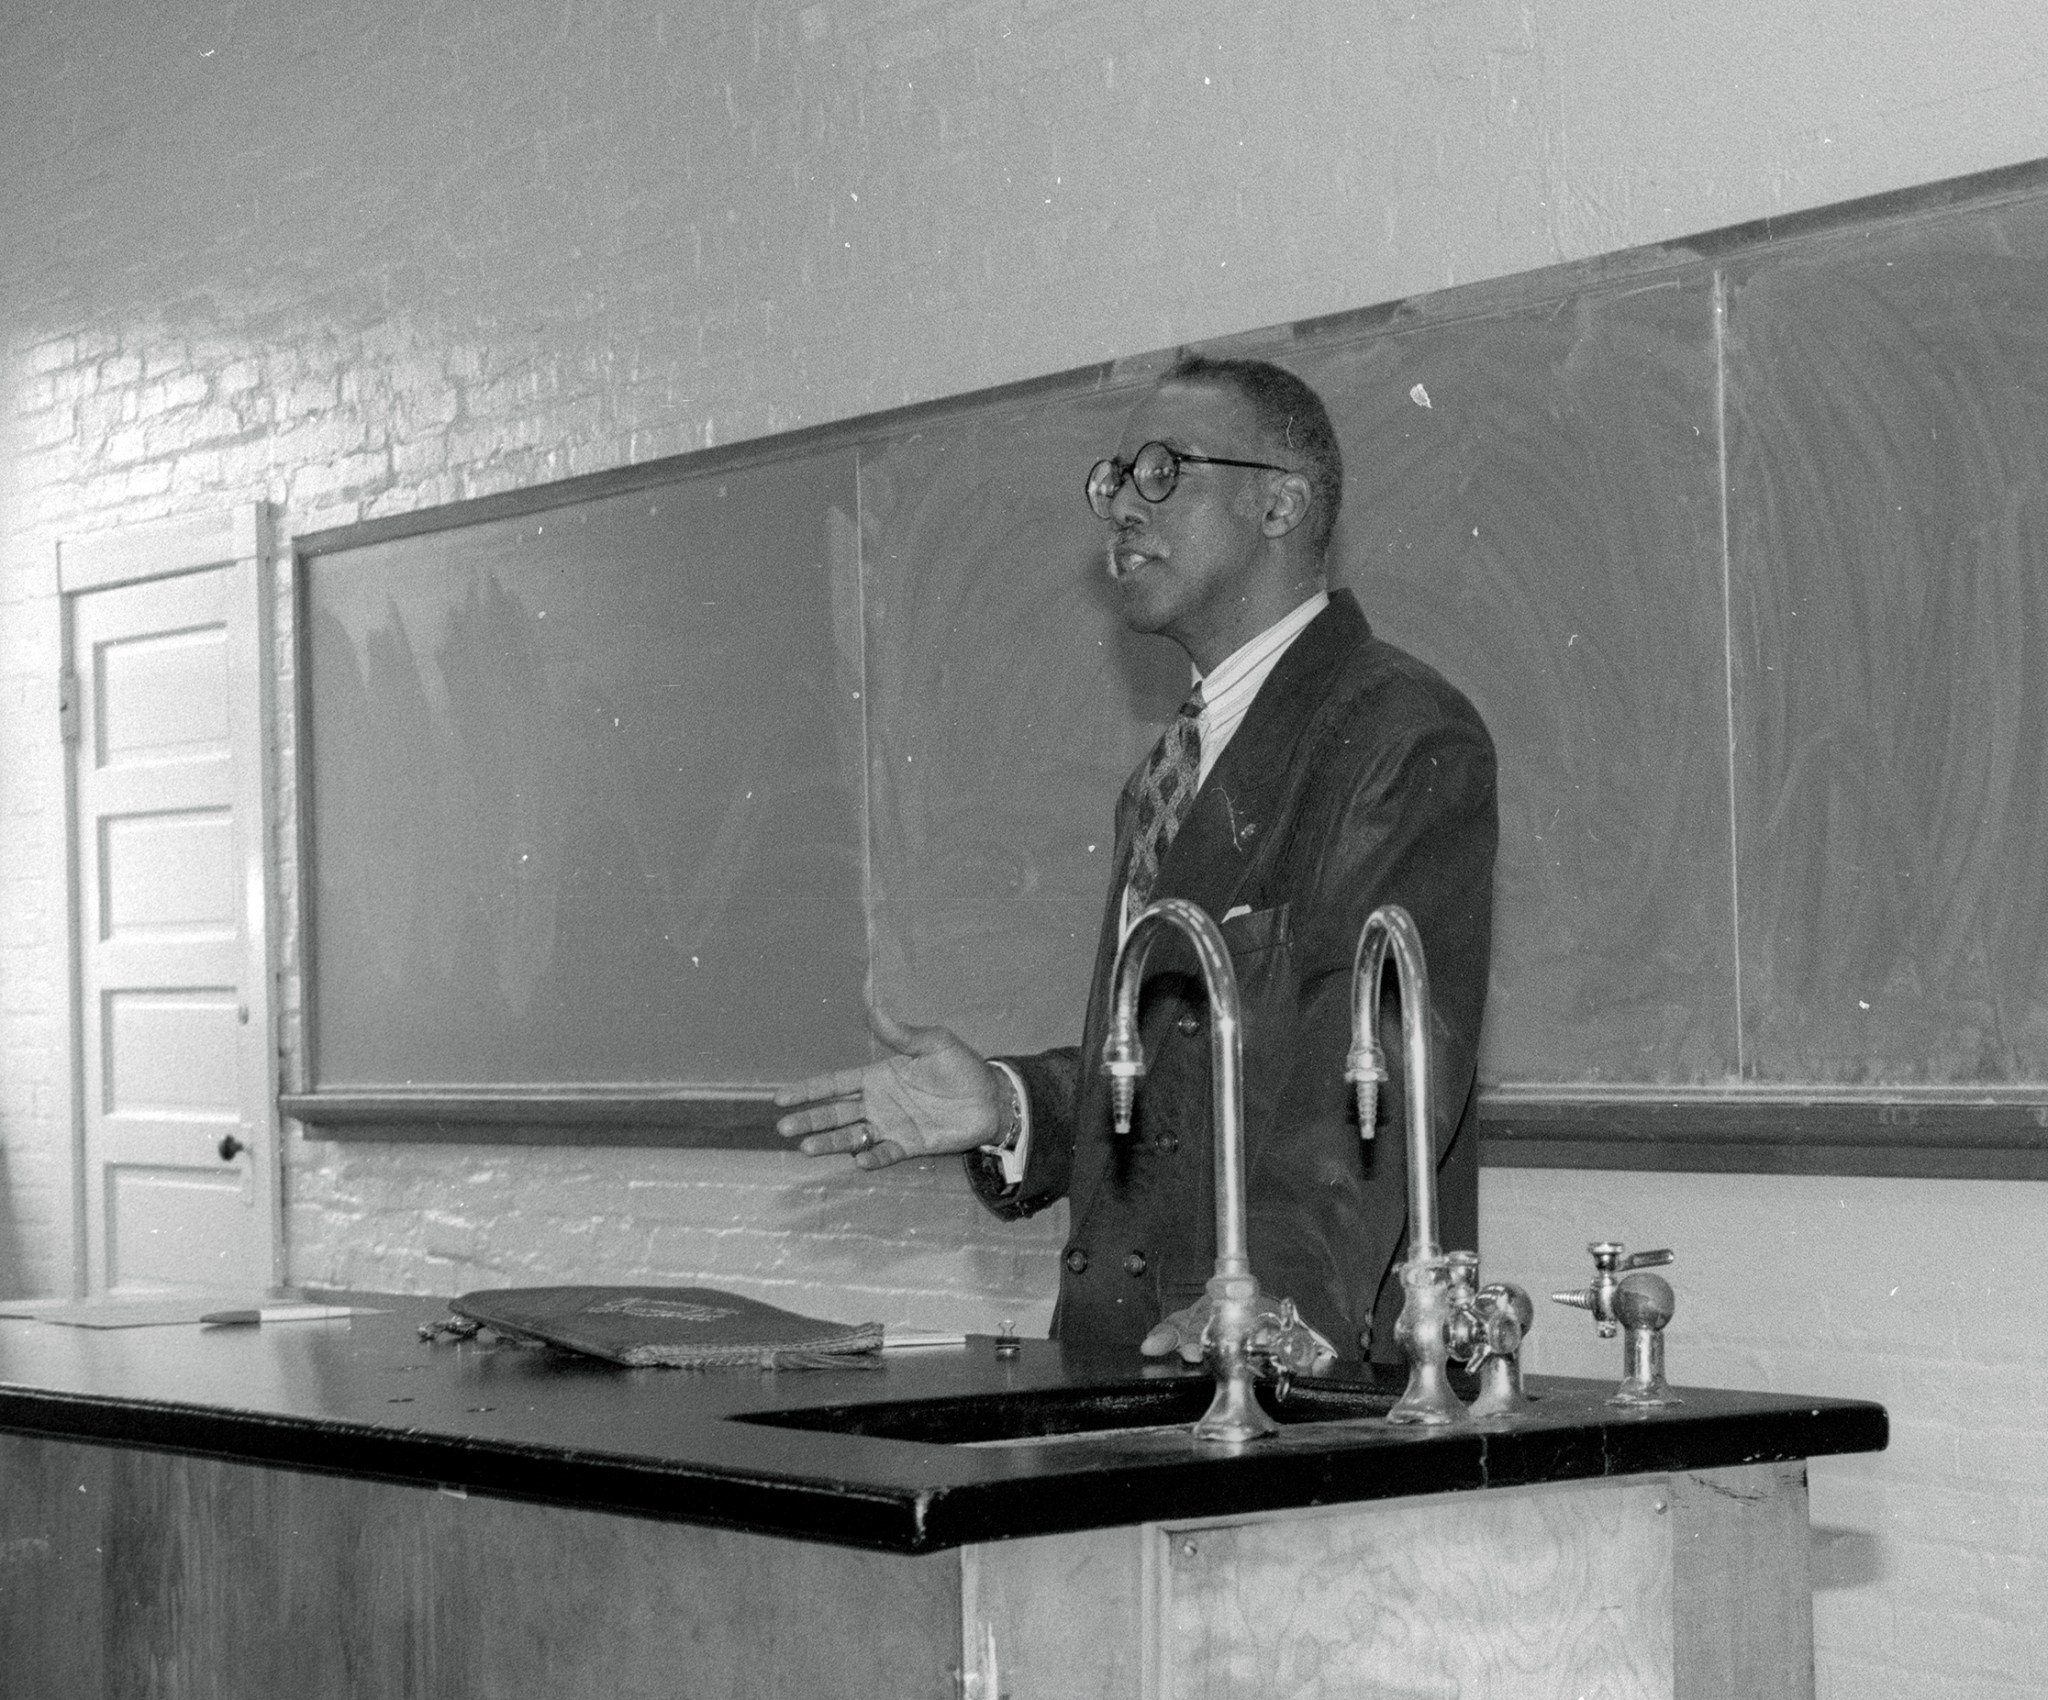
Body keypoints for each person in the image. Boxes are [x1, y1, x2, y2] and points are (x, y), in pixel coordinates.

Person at [775, 354, 1496, 1367]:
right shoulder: (1174, 766)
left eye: (1161, 471)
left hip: (1282, 1382)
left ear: (1280, 503)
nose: (1119, 506)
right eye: (1112, 479)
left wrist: (1267, 1311)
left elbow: (1366, 1072)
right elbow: (1187, 1064)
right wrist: (1014, 1103)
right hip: (1135, 1373)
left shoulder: (1396, 733)